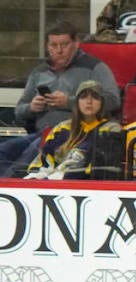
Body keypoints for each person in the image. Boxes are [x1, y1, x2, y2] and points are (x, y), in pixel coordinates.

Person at [0, 21, 120, 178]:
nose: (59, 50)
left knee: (21, 165)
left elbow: (114, 101)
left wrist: (69, 102)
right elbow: (19, 112)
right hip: (40, 132)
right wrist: (32, 107)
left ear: (76, 43)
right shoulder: (39, 71)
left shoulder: (95, 67)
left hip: (73, 135)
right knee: (3, 152)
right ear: (47, 46)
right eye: (53, 45)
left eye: (64, 45)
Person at [23, 80, 122, 180]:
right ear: (77, 102)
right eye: (83, 97)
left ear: (102, 103)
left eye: (95, 97)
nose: (89, 102)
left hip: (86, 186)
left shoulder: (111, 129)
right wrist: (37, 177)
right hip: (52, 184)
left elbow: (102, 168)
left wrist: (62, 177)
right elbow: (42, 162)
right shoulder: (62, 128)